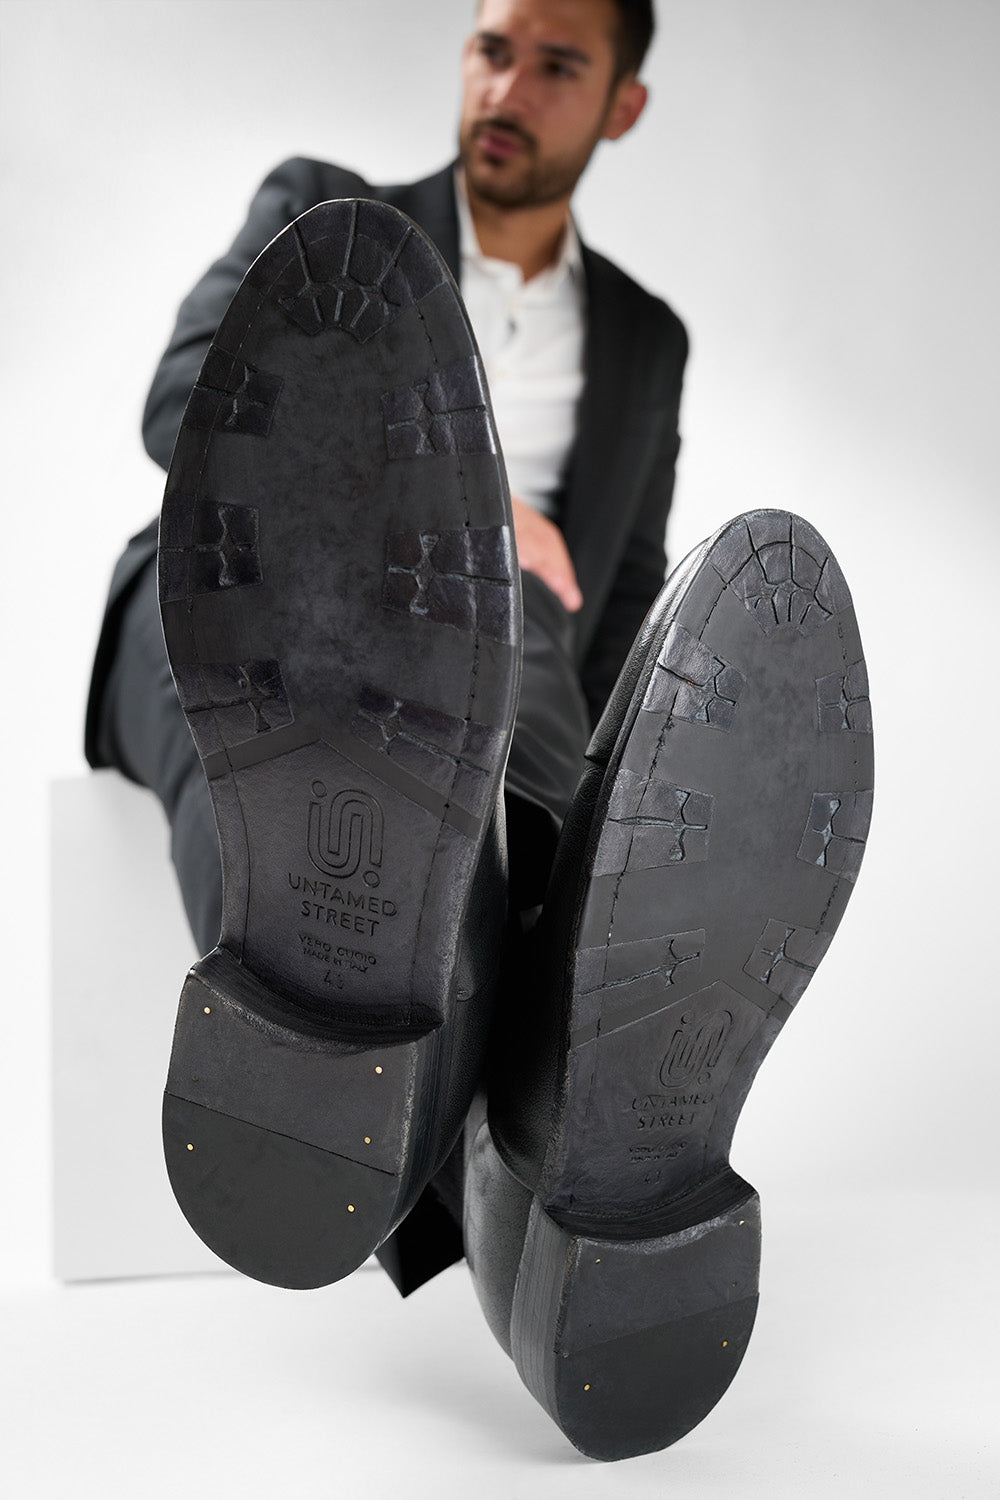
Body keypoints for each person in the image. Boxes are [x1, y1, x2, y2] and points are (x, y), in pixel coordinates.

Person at [84, 0, 873, 1461]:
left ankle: (445, 1007)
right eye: (492, 46)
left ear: (621, 105)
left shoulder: (645, 340)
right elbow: (185, 405)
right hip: (256, 622)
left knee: (529, 715)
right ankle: (544, 1130)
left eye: (557, 64)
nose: (507, 84)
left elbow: (624, 594)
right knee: (348, 706)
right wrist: (476, 517)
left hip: (506, 697)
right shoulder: (328, 210)